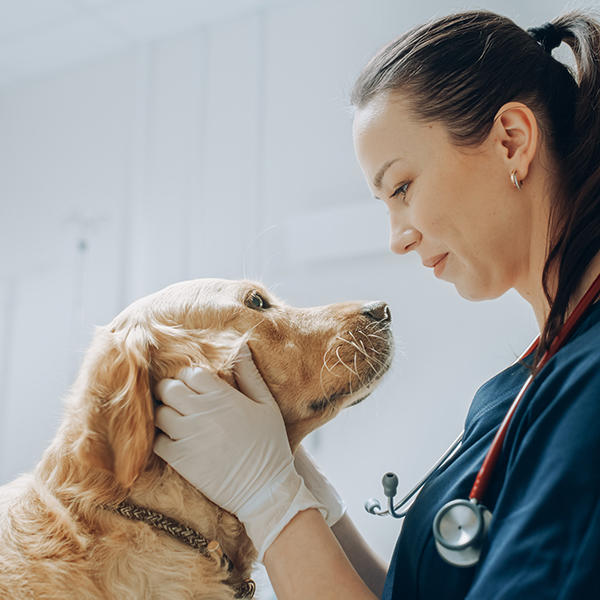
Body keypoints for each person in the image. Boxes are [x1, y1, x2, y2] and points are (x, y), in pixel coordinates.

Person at [153, 9, 600, 599]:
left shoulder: (589, 383)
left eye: (403, 188)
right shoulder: (517, 388)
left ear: (511, 141)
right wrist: (305, 496)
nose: (398, 237)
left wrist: (270, 500)